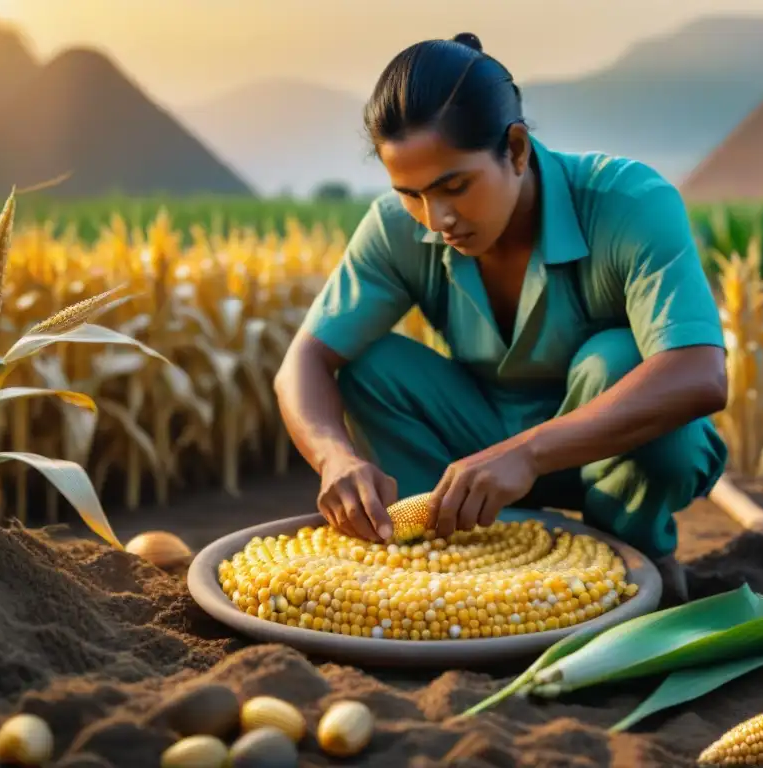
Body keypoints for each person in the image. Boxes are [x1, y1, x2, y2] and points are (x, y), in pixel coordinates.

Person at [273, 32, 728, 604]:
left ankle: (637, 556)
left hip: (603, 453)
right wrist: (332, 456)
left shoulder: (629, 202)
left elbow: (699, 374)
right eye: (410, 194)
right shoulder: (397, 228)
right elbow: (303, 362)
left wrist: (529, 453)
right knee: (367, 361)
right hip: (475, 456)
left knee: (618, 359)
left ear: (515, 149)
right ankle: (451, 547)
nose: (436, 218)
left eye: (454, 186)